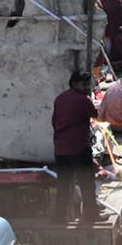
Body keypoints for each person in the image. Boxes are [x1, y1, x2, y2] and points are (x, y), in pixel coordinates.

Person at [52, 71, 101, 223]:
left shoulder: (60, 99)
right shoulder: (84, 100)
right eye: (84, 84)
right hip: (79, 148)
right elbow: (95, 114)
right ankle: (91, 217)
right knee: (87, 184)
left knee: (63, 186)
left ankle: (59, 218)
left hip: (60, 149)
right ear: (75, 84)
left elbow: (54, 121)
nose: (86, 87)